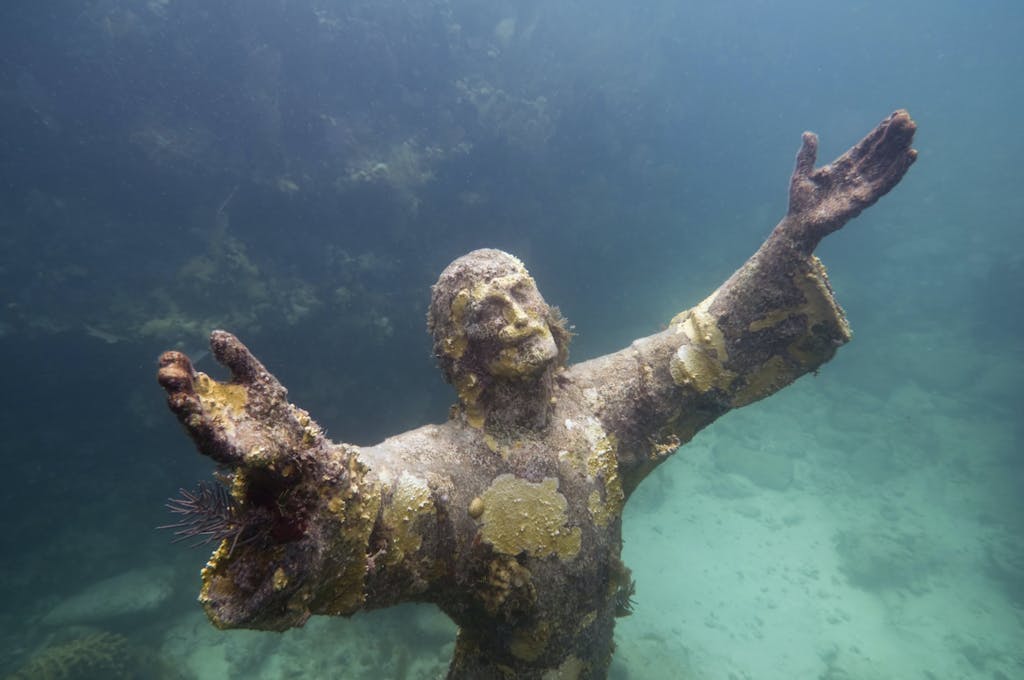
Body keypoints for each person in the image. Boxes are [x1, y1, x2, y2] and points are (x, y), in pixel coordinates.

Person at [158, 110, 916, 679]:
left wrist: (791, 241)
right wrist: (294, 476)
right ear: (461, 353)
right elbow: (368, 503)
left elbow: (704, 345)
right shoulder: (447, 472)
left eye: (523, 291)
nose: (519, 314)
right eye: (490, 311)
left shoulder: (604, 403)